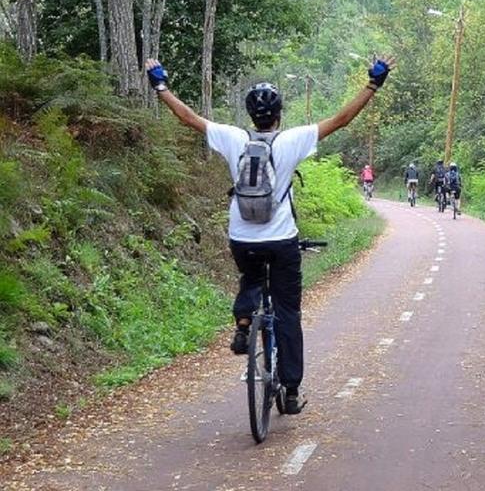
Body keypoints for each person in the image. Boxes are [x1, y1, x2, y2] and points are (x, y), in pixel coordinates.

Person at [144, 55, 395, 414]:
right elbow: (341, 119)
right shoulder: (293, 140)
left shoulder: (232, 138)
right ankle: (291, 392)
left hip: (242, 236)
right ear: (279, 114)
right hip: (281, 240)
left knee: (250, 275)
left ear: (250, 115)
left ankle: (245, 320)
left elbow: (187, 118)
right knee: (288, 312)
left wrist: (160, 84)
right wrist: (373, 83)